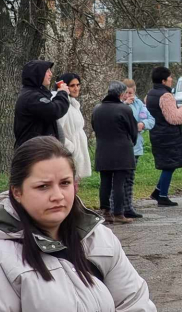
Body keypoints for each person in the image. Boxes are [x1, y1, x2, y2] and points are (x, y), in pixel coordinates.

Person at [0, 136, 156, 311]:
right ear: (17, 192)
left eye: (65, 183)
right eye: (43, 186)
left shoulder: (98, 238)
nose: (58, 196)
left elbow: (135, 303)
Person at [92, 81, 139, 225]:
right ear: (121, 94)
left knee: (105, 182)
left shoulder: (97, 109)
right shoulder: (124, 109)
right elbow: (133, 130)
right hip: (122, 150)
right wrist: (131, 142)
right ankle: (118, 213)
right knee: (119, 183)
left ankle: (105, 212)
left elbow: (94, 126)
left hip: (102, 149)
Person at [146, 66, 182, 207]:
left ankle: (158, 192)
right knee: (169, 165)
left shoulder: (150, 94)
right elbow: (173, 118)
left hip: (157, 133)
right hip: (168, 135)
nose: (171, 79)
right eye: (169, 77)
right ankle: (162, 196)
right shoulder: (166, 96)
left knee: (168, 164)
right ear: (164, 80)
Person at [13, 60, 70, 149]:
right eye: (47, 71)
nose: (51, 74)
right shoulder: (32, 97)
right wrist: (62, 93)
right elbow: (54, 111)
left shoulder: (35, 94)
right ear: (37, 74)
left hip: (39, 149)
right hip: (34, 151)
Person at [121, 79, 154, 219]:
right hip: (122, 147)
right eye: (126, 92)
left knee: (130, 178)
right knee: (121, 178)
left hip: (136, 146)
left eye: (131, 92)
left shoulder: (139, 104)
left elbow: (151, 120)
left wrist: (142, 124)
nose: (129, 95)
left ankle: (128, 206)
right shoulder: (119, 105)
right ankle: (119, 207)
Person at [55, 72, 91, 181]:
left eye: (78, 85)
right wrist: (70, 147)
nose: (76, 88)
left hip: (77, 154)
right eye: (72, 85)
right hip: (68, 154)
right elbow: (57, 128)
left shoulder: (74, 105)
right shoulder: (63, 105)